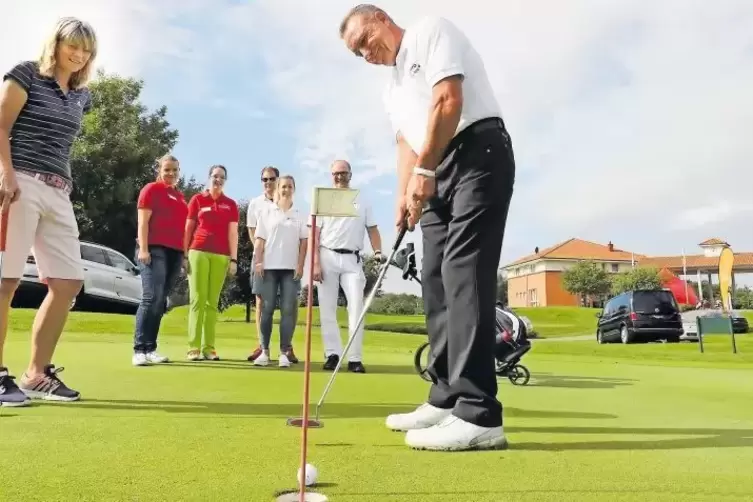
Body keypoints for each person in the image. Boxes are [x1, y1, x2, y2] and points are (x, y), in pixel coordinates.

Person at [339, 5, 515, 451]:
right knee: (434, 278)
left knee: (463, 273)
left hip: (478, 154)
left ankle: (479, 414)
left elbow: (447, 100)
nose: (364, 54)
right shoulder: (391, 88)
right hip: (432, 168)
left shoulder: (429, 32)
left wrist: (424, 172)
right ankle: (446, 395)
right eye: (355, 54)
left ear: (379, 18)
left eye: (363, 41)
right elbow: (405, 142)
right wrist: (405, 194)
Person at [0, 17, 98, 406]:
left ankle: (36, 374)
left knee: (68, 282)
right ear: (55, 43)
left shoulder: (81, 95)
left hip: (59, 190)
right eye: (72, 45)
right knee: (5, 280)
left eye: (86, 49)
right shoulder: (26, 74)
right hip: (19, 182)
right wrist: (6, 175)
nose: (78, 54)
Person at [311, 160, 382, 374]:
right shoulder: (322, 199)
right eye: (336, 173)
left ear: (350, 174)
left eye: (343, 173)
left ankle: (354, 358)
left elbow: (373, 229)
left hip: (352, 259)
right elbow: (314, 233)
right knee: (327, 308)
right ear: (331, 175)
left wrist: (378, 252)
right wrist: (314, 262)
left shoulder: (362, 199)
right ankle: (332, 354)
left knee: (356, 309)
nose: (339, 177)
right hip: (327, 256)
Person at [131, 154, 188, 366]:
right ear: (160, 170)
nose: (171, 174)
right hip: (154, 249)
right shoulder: (150, 190)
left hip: (175, 252)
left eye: (174, 170)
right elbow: (143, 221)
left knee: (161, 301)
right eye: (167, 170)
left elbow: (181, 229)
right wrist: (143, 248)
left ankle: (151, 348)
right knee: (151, 297)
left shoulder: (180, 197)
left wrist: (183, 256)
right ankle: (139, 349)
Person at [183, 165, 239, 361]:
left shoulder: (230, 204)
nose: (218, 180)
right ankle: (193, 348)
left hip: (221, 255)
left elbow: (233, 233)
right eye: (215, 176)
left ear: (225, 180)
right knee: (198, 299)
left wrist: (234, 259)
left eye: (222, 177)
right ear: (209, 178)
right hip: (197, 252)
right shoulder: (198, 199)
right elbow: (188, 228)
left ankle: (209, 348)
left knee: (212, 303)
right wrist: (184, 255)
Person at [252, 175, 307, 367]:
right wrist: (258, 262)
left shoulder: (300, 213)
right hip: (268, 268)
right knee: (266, 309)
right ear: (278, 189)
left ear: (294, 189)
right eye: (283, 186)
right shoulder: (267, 212)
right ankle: (264, 351)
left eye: (289, 186)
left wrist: (300, 265)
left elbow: (304, 242)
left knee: (287, 310)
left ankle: (284, 351)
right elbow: (259, 241)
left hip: (290, 269)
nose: (286, 189)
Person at [245, 166, 298, 364]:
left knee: (289, 304)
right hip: (263, 260)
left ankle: (287, 348)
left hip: (286, 263)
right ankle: (263, 347)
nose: (268, 182)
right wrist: (263, 255)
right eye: (264, 179)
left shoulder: (291, 206)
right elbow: (253, 232)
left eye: (271, 179)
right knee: (262, 302)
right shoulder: (256, 204)